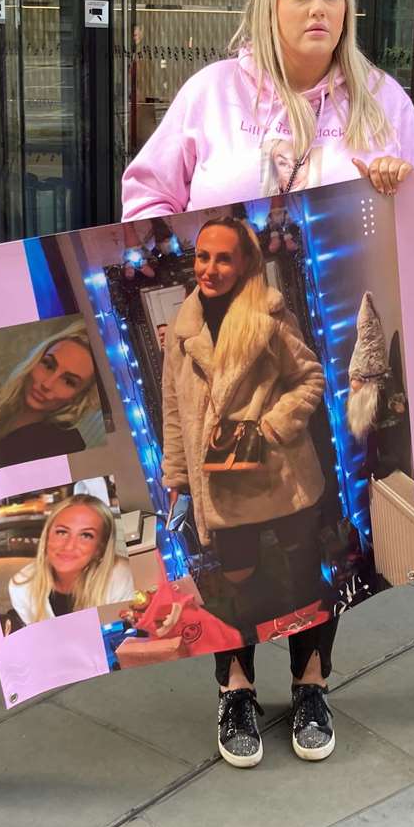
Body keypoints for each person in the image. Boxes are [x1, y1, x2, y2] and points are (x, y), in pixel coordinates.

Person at [121, 0, 414, 767]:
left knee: (312, 530)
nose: (319, 10)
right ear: (269, 5)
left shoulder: (380, 100)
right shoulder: (212, 95)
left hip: (314, 344)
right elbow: (146, 194)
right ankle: (233, 689)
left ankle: (311, 683)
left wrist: (400, 191)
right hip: (218, 385)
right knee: (230, 544)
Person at [161, 216, 330, 765]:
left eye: (223, 258)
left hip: (280, 479)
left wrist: (273, 428)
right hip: (219, 490)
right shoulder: (182, 328)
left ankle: (310, 687)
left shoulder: (270, 314)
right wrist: (176, 479)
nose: (209, 269)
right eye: (202, 256)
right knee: (232, 591)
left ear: (246, 263)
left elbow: (310, 378)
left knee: (303, 585)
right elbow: (171, 411)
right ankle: (235, 691)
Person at [0, 320, 101, 477]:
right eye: (48, 365)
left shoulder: (64, 445)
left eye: (69, 381)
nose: (47, 384)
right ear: (35, 361)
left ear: (79, 396)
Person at [7, 494, 135, 626]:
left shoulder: (123, 580)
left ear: (100, 548)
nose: (69, 546)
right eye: (62, 532)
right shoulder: (21, 586)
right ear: (47, 536)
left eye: (86, 535)